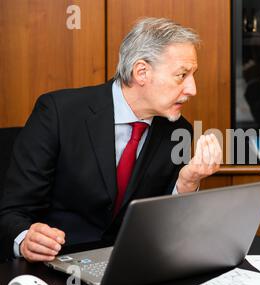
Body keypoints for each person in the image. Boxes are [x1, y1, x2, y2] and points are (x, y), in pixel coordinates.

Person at [0, 17, 222, 262]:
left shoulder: (177, 131)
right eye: (182, 75)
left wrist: (187, 183)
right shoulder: (58, 113)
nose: (192, 89)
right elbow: (12, 212)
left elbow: (171, 227)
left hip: (133, 267)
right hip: (58, 265)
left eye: (193, 75)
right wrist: (24, 240)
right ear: (141, 72)